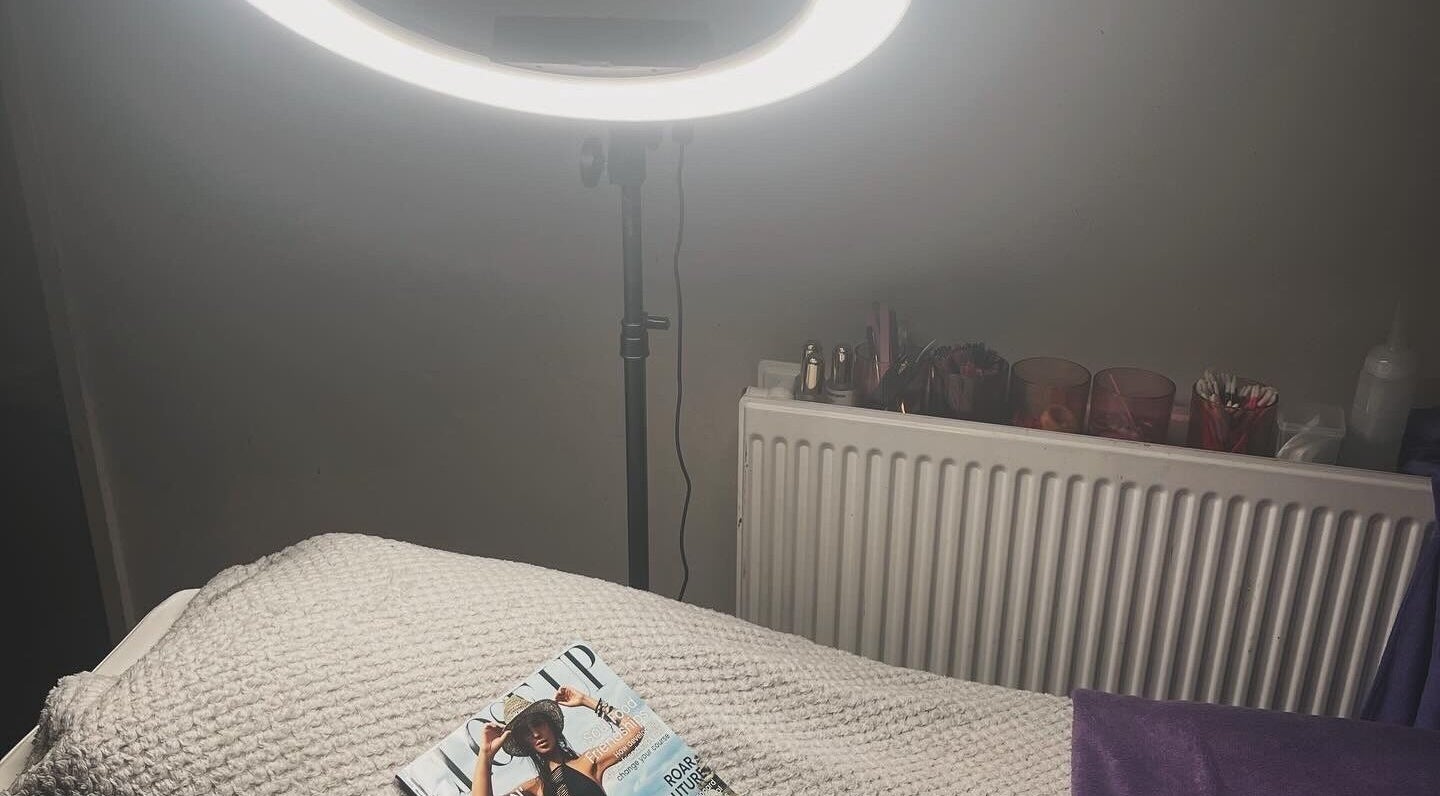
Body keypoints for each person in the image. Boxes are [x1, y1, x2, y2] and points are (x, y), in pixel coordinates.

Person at [471, 685, 645, 796]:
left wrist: (587, 701)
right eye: (526, 731)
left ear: (550, 725)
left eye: (537, 724)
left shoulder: (587, 762)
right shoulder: (534, 789)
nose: (536, 734)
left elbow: (634, 731)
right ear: (523, 742)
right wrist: (485, 755)